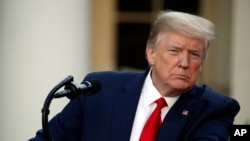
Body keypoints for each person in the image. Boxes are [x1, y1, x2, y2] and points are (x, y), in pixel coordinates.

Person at [29, 11, 240, 141]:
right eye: (174, 51)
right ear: (151, 54)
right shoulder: (99, 90)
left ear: (202, 62)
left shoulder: (214, 108)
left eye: (194, 54)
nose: (184, 63)